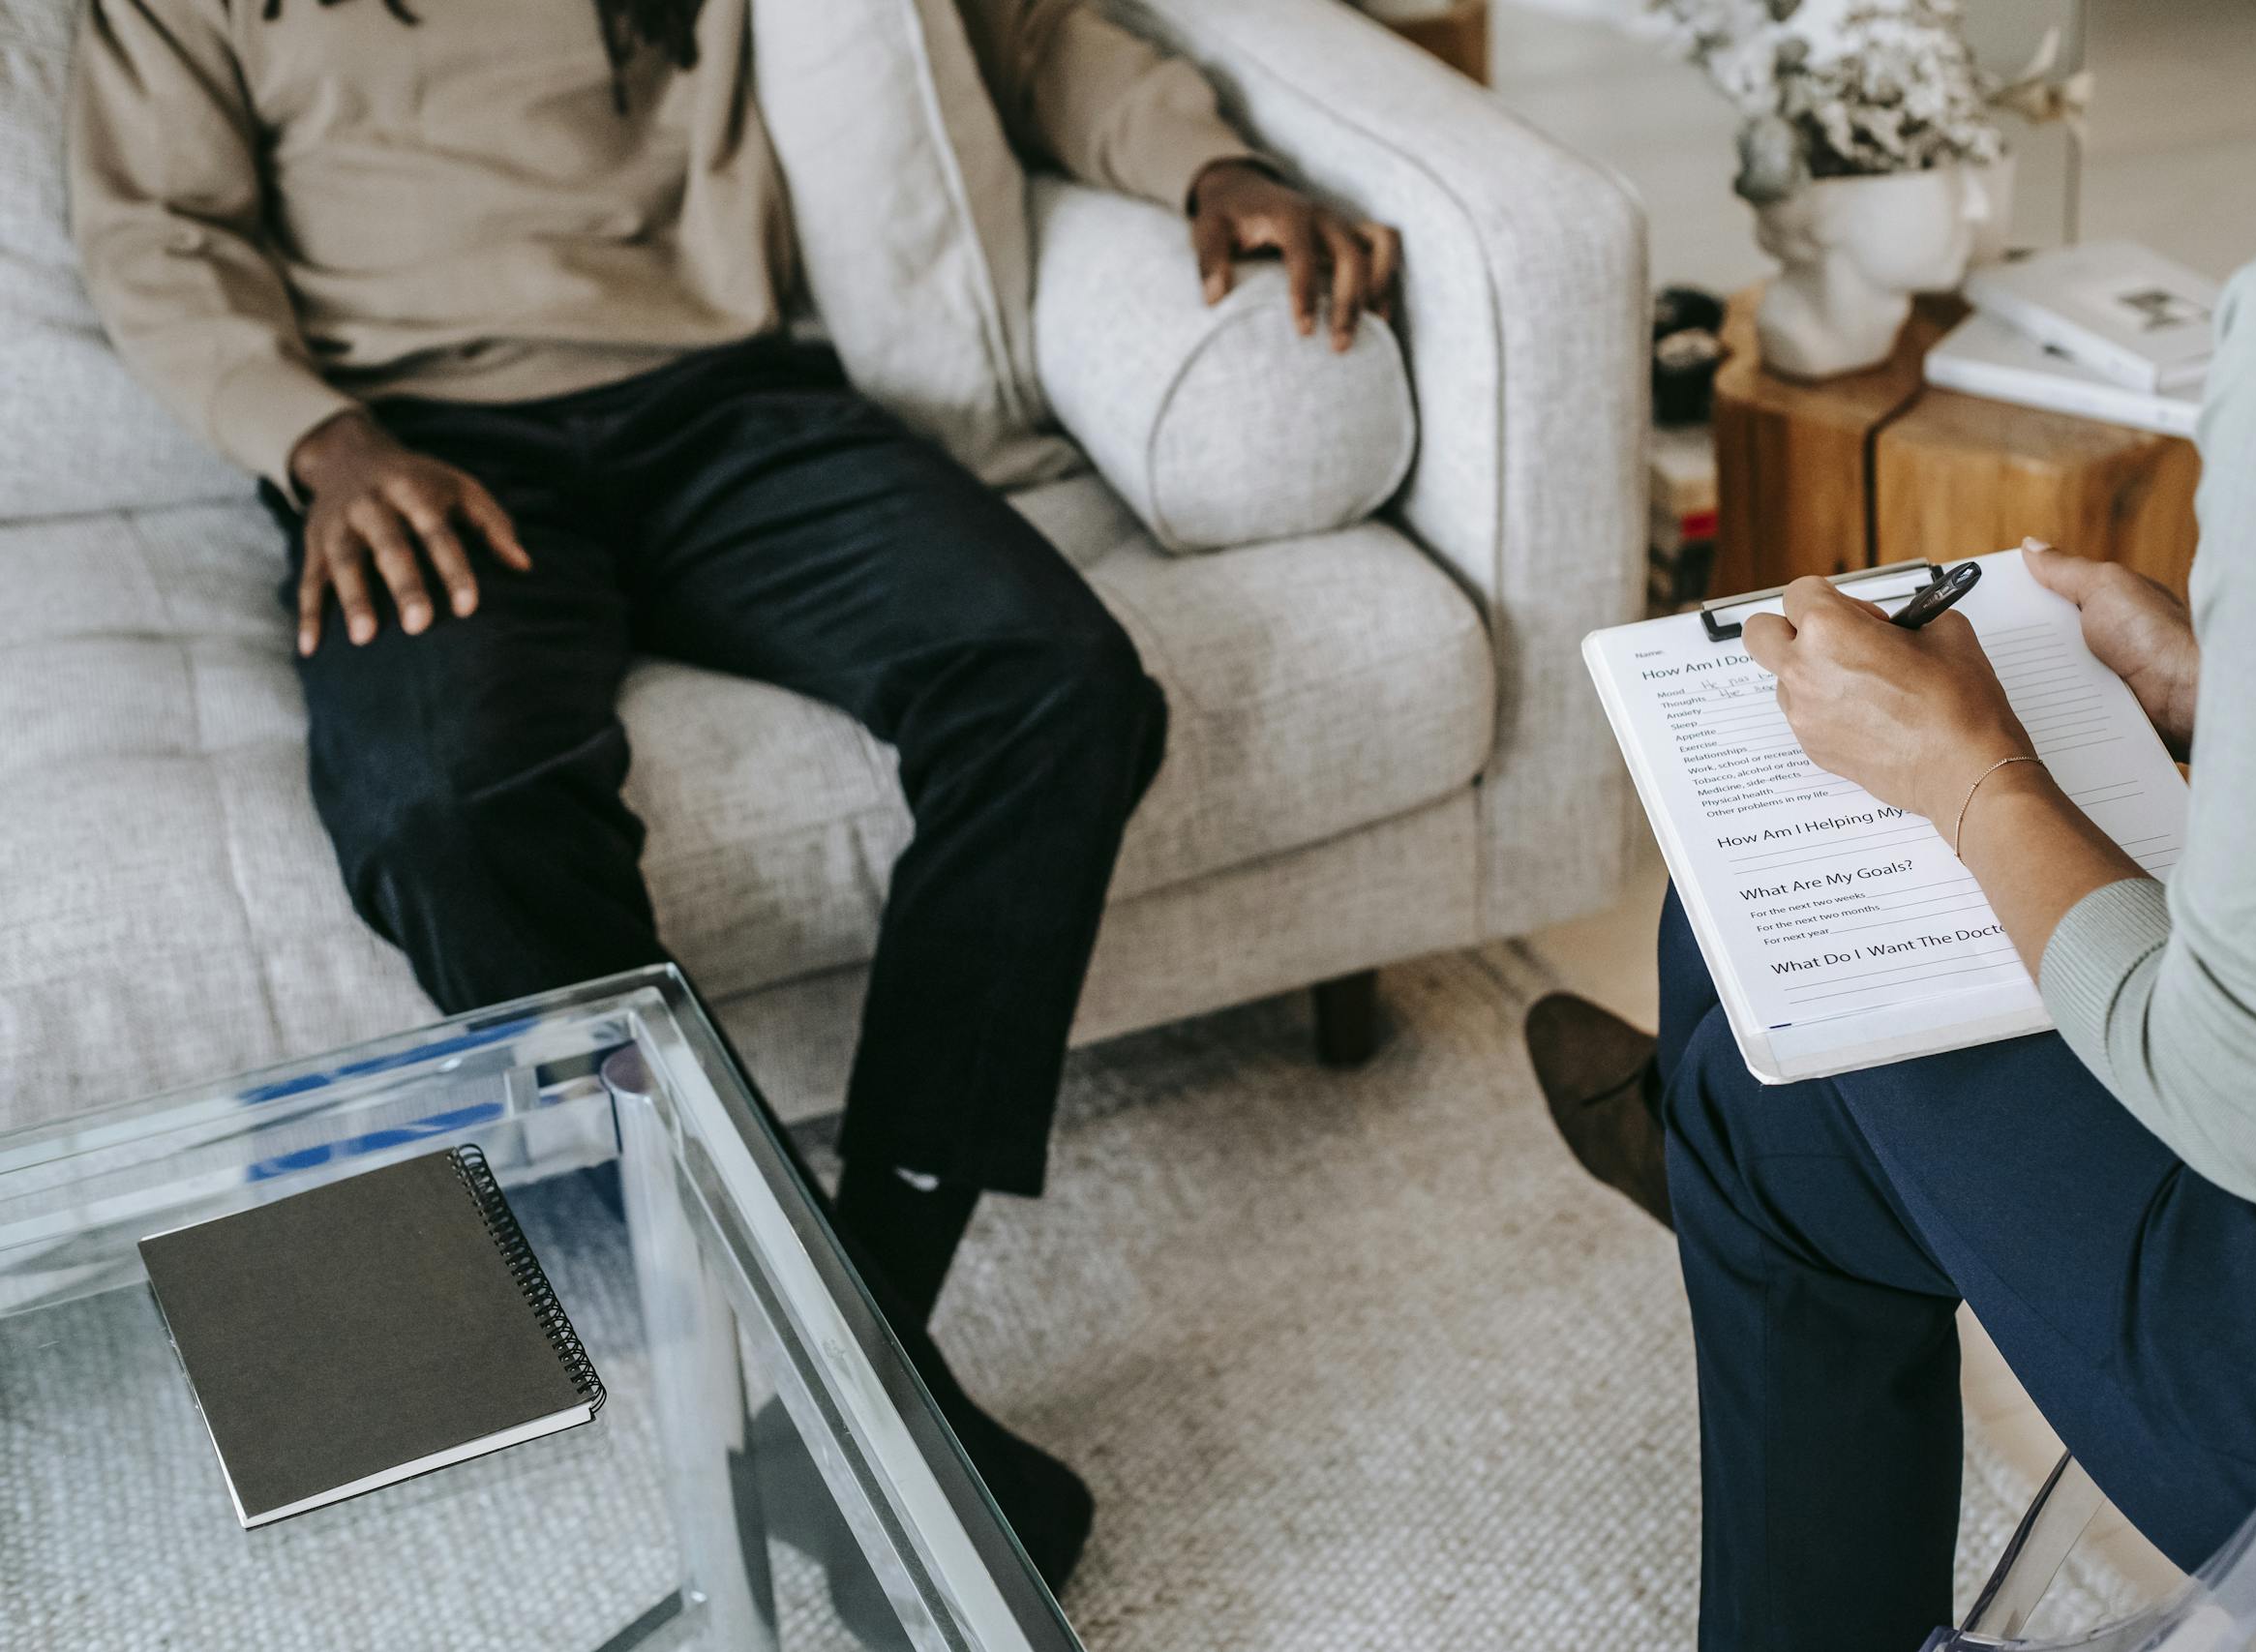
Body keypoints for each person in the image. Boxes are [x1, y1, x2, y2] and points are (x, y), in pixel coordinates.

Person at [70, 0, 1399, 1583]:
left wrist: (1211, 161)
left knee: (1056, 690)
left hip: (731, 403)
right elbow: (159, 232)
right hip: (409, 444)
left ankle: (849, 1336)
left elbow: (1028, 36)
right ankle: (856, 1374)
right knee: (447, 815)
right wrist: (322, 447)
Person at [1526, 62, 2256, 1652]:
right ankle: (1742, 1166)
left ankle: (1729, 1165)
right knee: (1772, 1052)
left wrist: (1967, 774)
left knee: (1763, 1026)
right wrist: (2251, 694)